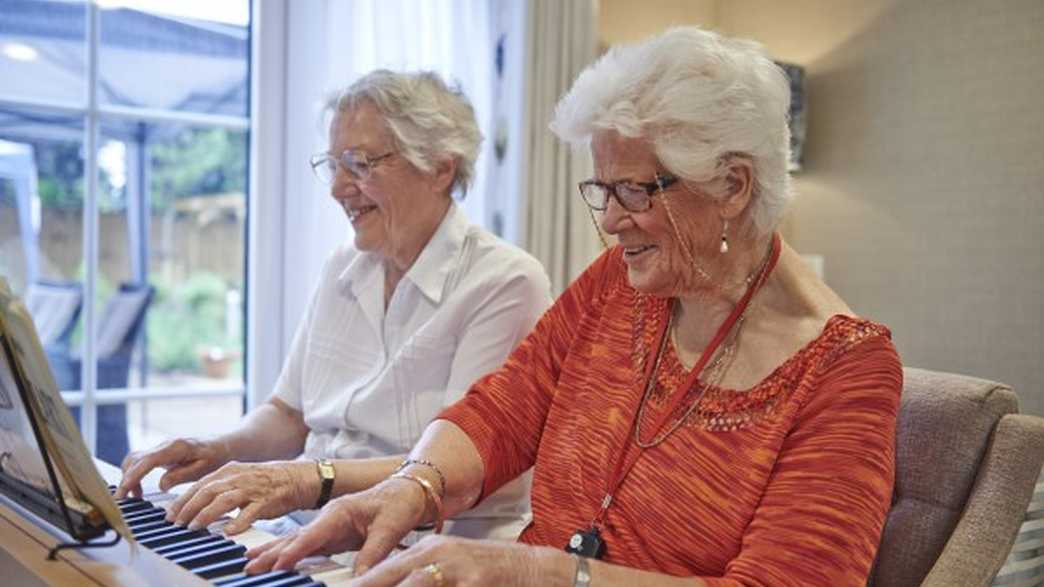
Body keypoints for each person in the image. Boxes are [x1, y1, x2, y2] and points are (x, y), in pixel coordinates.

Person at [242, 27, 903, 586]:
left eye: (635, 192)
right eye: (602, 189)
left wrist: (548, 571)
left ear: (732, 185)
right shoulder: (620, 284)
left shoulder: (846, 371)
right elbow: (500, 410)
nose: (611, 222)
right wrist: (414, 483)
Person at [116, 70, 552, 541]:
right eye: (333, 165)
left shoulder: (504, 282)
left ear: (440, 168)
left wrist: (302, 480)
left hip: (420, 549)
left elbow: (457, 468)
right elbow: (289, 414)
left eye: (359, 164)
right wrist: (214, 448)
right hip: (307, 529)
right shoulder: (344, 266)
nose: (337, 188)